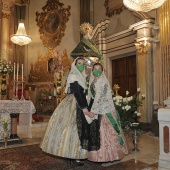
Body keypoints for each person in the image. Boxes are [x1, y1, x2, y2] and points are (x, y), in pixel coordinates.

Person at [40, 57, 98, 166]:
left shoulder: (81, 76)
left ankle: (74, 155)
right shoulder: (74, 75)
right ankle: (72, 155)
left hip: (77, 102)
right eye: (79, 63)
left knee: (76, 129)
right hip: (74, 102)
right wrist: (84, 109)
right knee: (74, 128)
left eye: (82, 63)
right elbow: (77, 93)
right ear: (75, 65)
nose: (81, 65)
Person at [87, 63, 129, 163]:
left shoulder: (102, 81)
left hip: (105, 111)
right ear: (92, 70)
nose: (97, 71)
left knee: (107, 133)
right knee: (99, 133)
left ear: (102, 71)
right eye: (95, 69)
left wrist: (93, 110)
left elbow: (99, 97)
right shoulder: (93, 80)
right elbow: (91, 96)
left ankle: (109, 156)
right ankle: (100, 156)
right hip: (98, 110)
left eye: (99, 69)